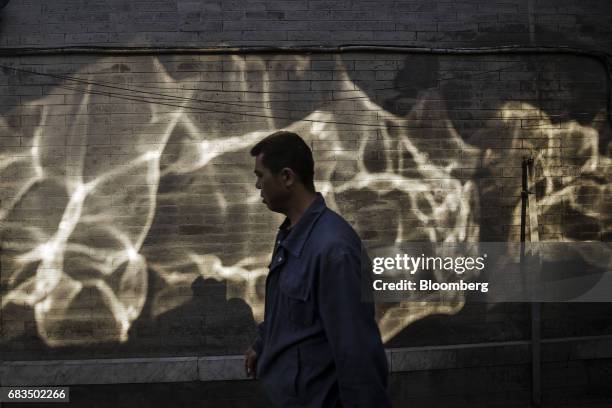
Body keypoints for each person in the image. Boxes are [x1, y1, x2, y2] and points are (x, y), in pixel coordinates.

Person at [244, 131, 392, 407]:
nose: (257, 185)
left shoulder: (334, 249)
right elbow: (288, 308)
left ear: (286, 177)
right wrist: (263, 344)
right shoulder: (290, 234)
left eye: (260, 175)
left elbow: (356, 352)